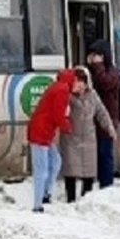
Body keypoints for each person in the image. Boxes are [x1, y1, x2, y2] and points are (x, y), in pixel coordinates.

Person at [27, 68, 80, 212]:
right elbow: (58, 114)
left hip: (44, 131)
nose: (78, 84)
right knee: (42, 169)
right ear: (72, 80)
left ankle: (46, 194)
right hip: (41, 132)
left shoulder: (58, 87)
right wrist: (67, 127)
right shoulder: (62, 90)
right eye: (76, 81)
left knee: (55, 161)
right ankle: (37, 205)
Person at [60, 67, 116, 203]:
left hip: (89, 139)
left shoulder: (93, 95)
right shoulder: (66, 96)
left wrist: (109, 128)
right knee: (71, 171)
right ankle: (71, 199)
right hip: (71, 138)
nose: (77, 84)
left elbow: (102, 113)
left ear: (86, 83)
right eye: (75, 81)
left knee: (89, 171)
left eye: (80, 81)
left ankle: (86, 200)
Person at [87, 40, 120, 188]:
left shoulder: (111, 72)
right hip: (95, 120)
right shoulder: (94, 71)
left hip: (107, 120)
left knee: (105, 154)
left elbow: (105, 84)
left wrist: (98, 66)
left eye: (97, 55)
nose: (94, 59)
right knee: (97, 154)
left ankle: (107, 184)